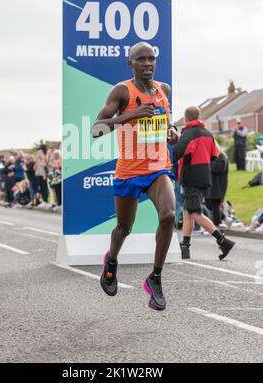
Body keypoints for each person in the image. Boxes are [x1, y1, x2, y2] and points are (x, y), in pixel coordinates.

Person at [91, 42, 178, 311]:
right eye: (141, 59)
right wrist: (130, 115)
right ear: (131, 63)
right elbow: (96, 130)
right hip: (129, 171)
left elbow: (167, 122)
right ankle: (112, 261)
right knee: (124, 228)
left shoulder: (164, 90)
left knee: (169, 215)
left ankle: (155, 278)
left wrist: (172, 132)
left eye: (151, 59)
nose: (148, 63)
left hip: (157, 168)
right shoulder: (121, 91)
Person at [173, 107, 235, 260]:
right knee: (188, 212)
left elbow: (174, 154)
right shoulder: (208, 134)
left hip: (192, 178)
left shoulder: (188, 134)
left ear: (186, 119)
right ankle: (185, 248)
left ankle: (223, 241)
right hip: (205, 177)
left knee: (195, 212)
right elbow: (214, 155)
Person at [205, 142, 229, 227]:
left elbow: (216, 169)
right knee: (208, 205)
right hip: (211, 186)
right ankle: (223, 217)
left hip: (217, 186)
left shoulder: (222, 157)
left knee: (214, 205)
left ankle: (217, 224)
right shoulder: (212, 157)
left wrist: (206, 163)